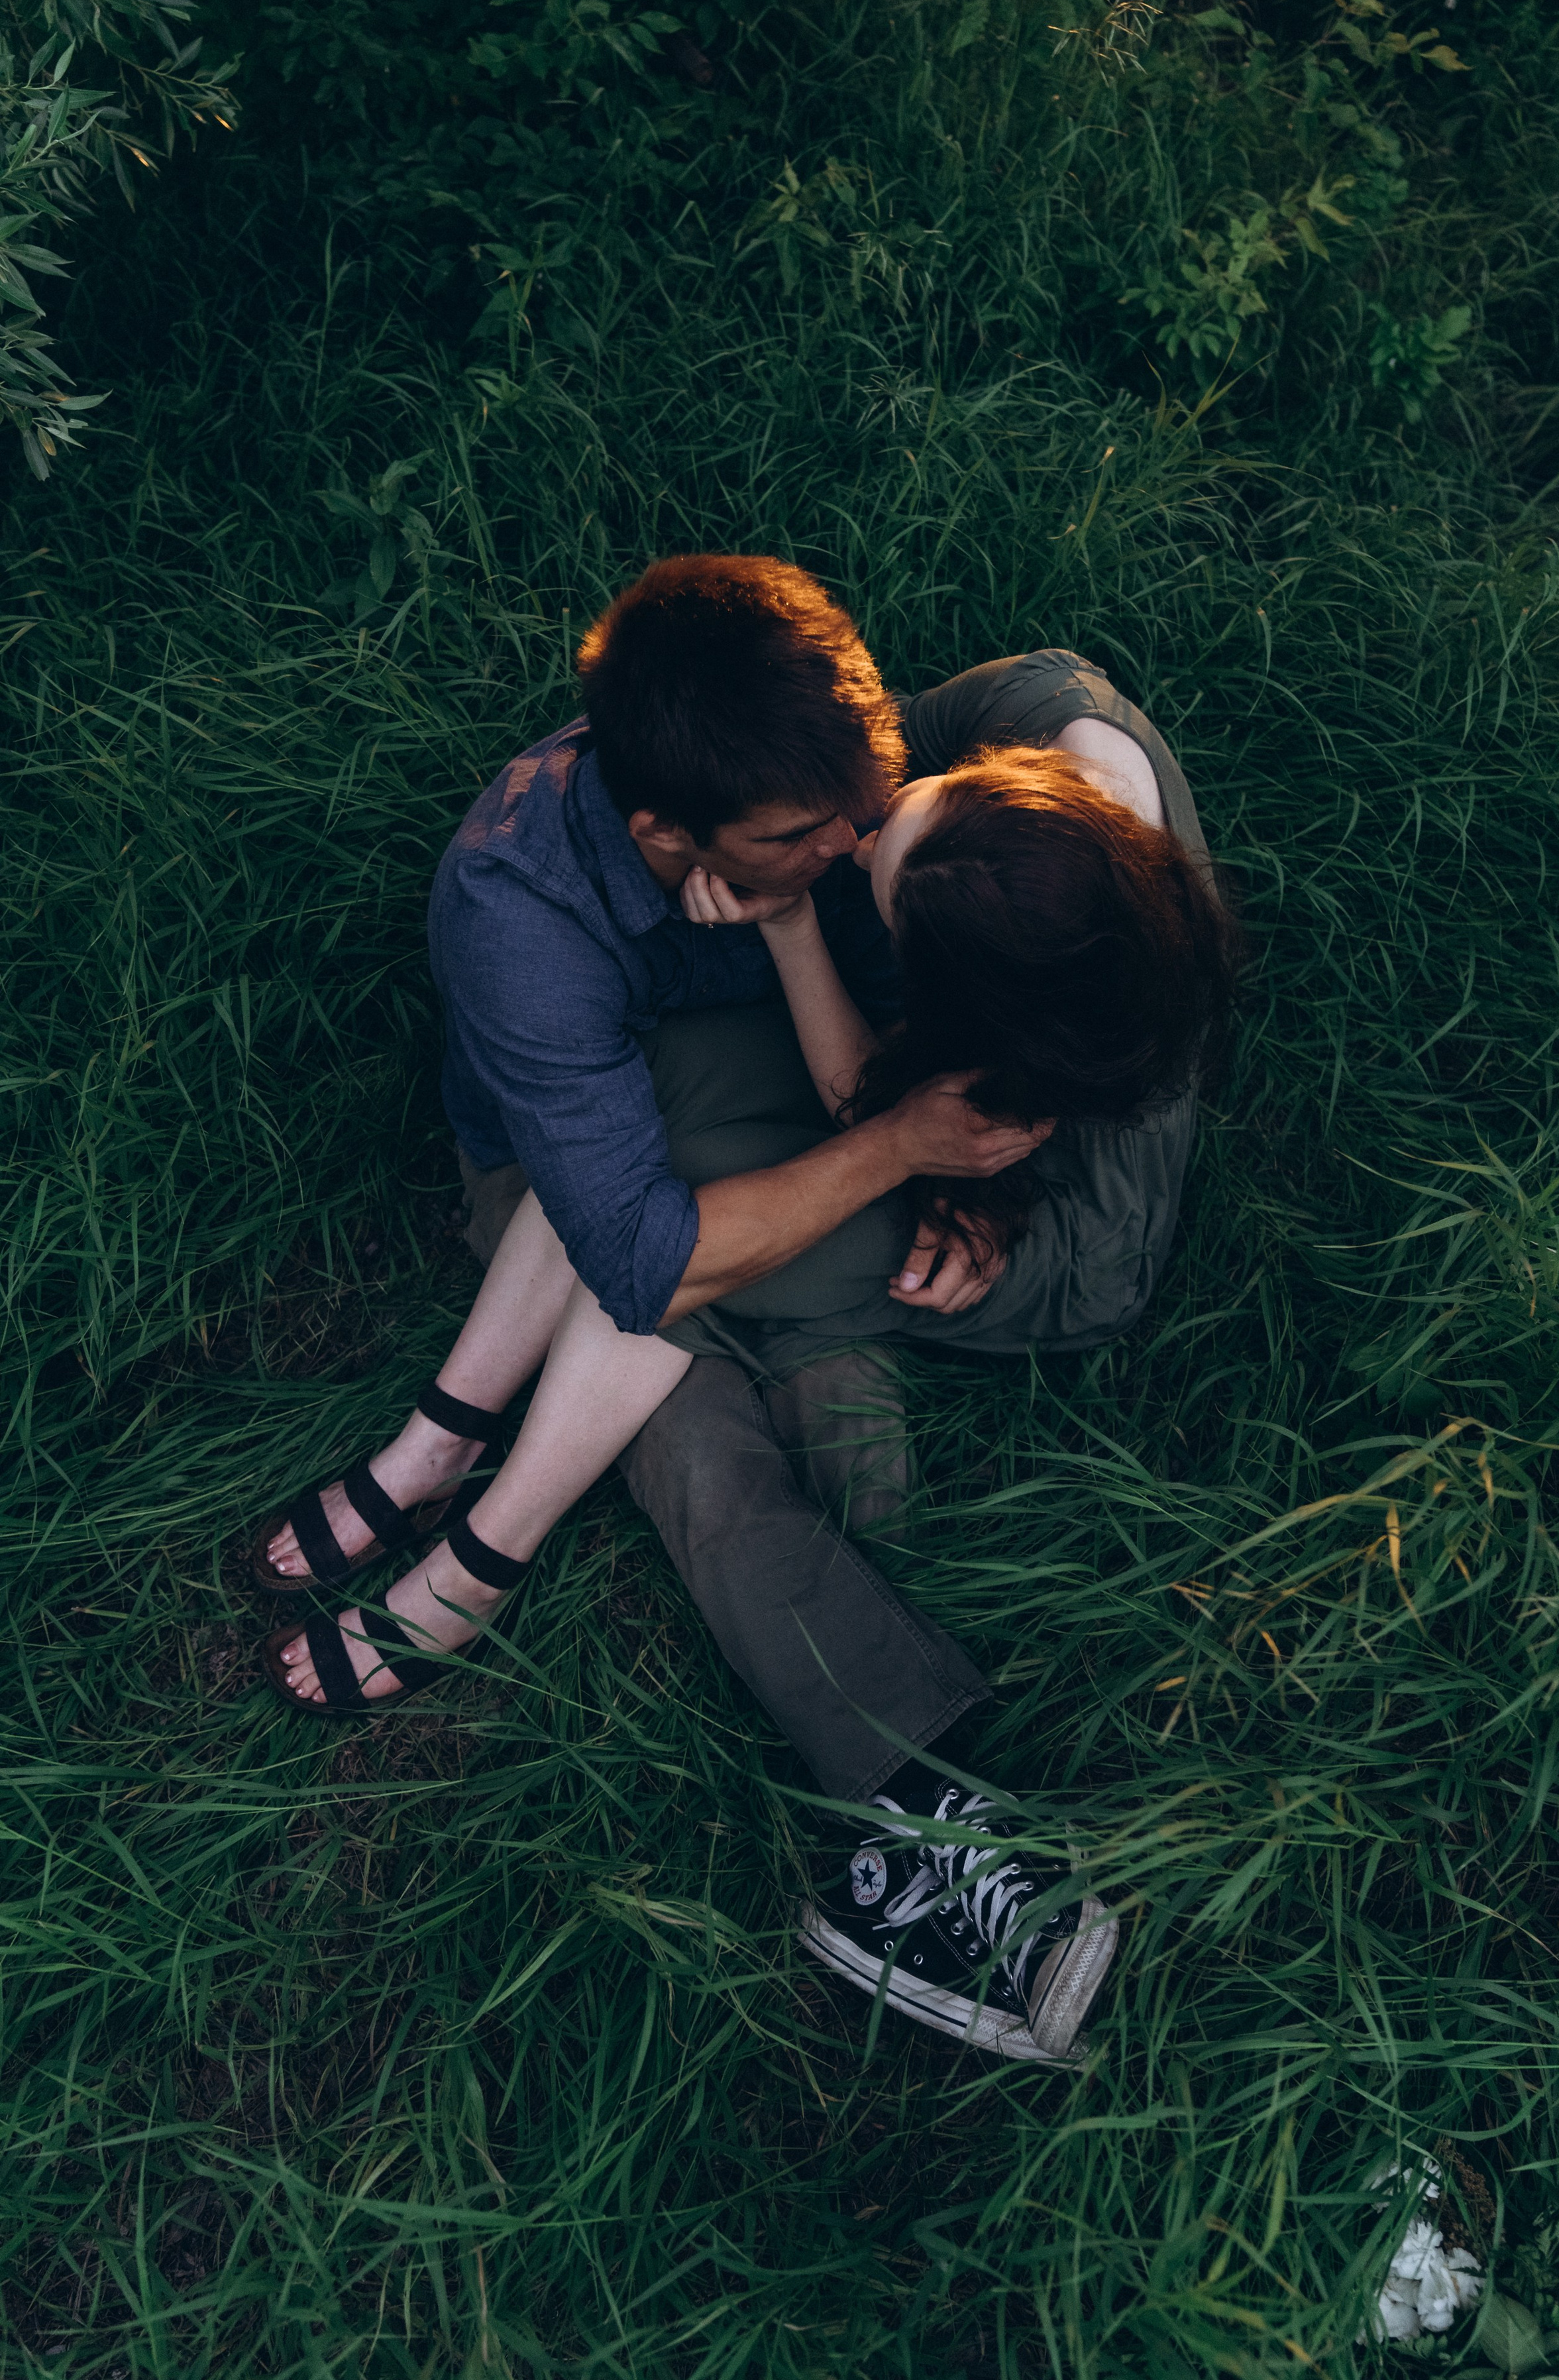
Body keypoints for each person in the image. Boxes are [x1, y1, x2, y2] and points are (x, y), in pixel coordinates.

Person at [250, 555, 1236, 2063]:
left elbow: (752, 1195)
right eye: (808, 833)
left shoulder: (959, 873)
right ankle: (900, 1753)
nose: (848, 843)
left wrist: (923, 1158)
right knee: (668, 1299)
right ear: (667, 826)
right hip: (726, 1130)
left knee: (669, 1319)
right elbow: (662, 1229)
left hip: (990, 1197)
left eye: (866, 810)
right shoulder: (948, 795)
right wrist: (868, 1098)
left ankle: (499, 1535)